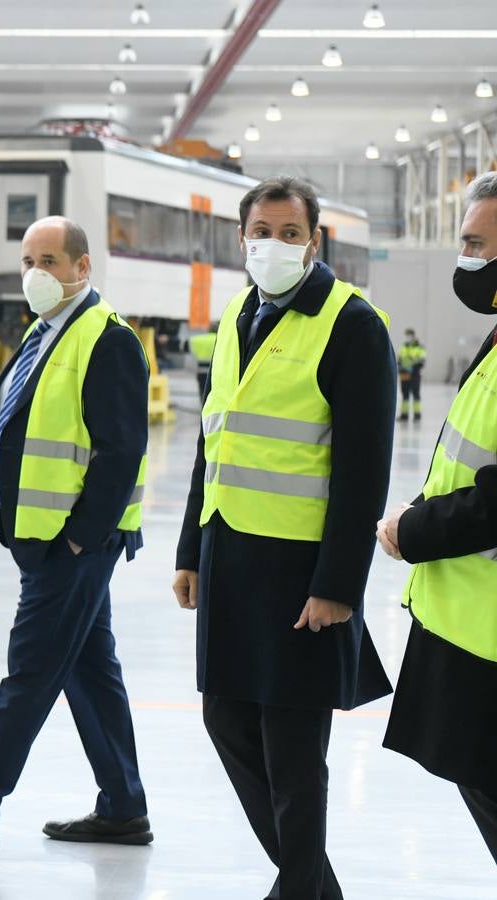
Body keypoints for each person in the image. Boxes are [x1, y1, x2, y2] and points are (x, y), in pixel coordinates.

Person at [173, 176, 394, 900]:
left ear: (315, 241)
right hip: (229, 553)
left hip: (301, 571)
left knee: (294, 748)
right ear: (241, 239)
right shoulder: (238, 311)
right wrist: (188, 551)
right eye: (261, 232)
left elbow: (365, 471)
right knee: (224, 717)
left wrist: (338, 587)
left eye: (290, 233)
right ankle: (310, 885)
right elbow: (214, 437)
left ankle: (301, 888)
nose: (274, 245)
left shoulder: (351, 323)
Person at [0, 216, 152, 851]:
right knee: (88, 670)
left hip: (73, 546)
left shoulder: (106, 338)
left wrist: (78, 538)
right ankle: (123, 806)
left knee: (32, 669)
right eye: (28, 261)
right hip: (44, 541)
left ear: (82, 268)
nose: (36, 273)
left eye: (49, 260)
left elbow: (121, 451)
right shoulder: (45, 333)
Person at [378, 171, 497, 863]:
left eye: (477, 244)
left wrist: (413, 530)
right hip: (465, 622)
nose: (467, 260)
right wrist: (420, 507)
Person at [398, 328, 427, 422]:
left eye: (409, 335)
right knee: (405, 394)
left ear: (413, 335)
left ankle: (417, 415)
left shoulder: (419, 347)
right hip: (404, 373)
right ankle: (404, 415)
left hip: (415, 374)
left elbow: (422, 361)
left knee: (415, 394)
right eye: (406, 335)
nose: (407, 337)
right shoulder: (404, 346)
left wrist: (413, 368)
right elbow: (400, 359)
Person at [189, 327, 217, 399]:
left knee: (202, 389)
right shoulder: (220, 339)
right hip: (214, 371)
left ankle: (202, 404)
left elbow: (188, 342)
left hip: (201, 369)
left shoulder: (200, 339)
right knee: (212, 391)